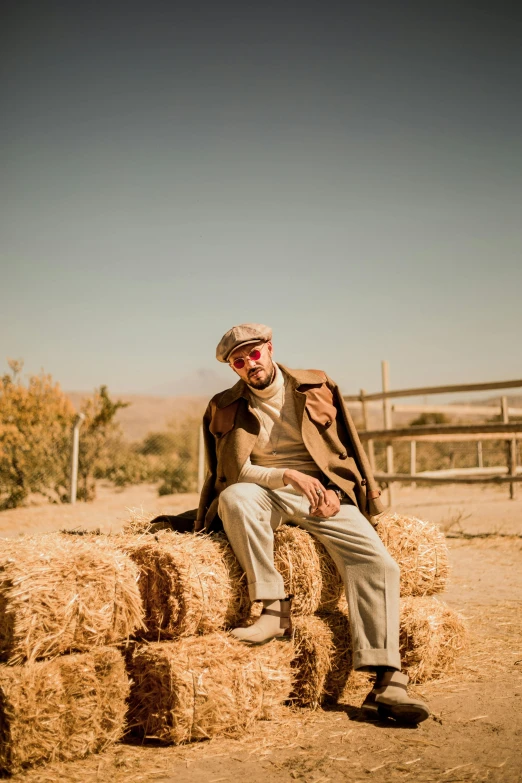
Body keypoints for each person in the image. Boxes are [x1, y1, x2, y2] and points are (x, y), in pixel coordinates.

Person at [195, 323, 429, 725]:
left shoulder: (316, 385)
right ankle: (273, 608)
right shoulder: (224, 405)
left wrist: (353, 492)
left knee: (379, 565)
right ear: (232, 369)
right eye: (239, 361)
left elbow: (348, 445)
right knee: (234, 498)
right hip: (264, 491)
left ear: (269, 349)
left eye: (254, 354)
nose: (250, 365)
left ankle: (387, 677)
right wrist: (287, 475)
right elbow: (232, 472)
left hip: (324, 494)